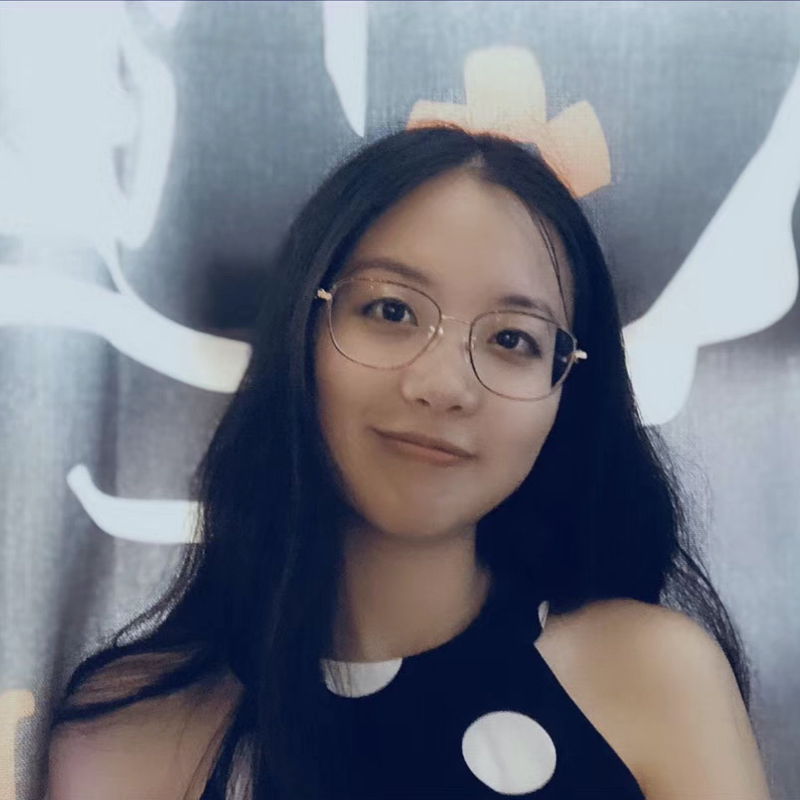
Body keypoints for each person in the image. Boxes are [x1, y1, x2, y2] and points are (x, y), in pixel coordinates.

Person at [46, 126, 772, 800]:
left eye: (512, 340)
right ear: (302, 327)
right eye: (391, 311)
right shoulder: (132, 732)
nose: (444, 385)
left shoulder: (653, 678)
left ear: (567, 390)